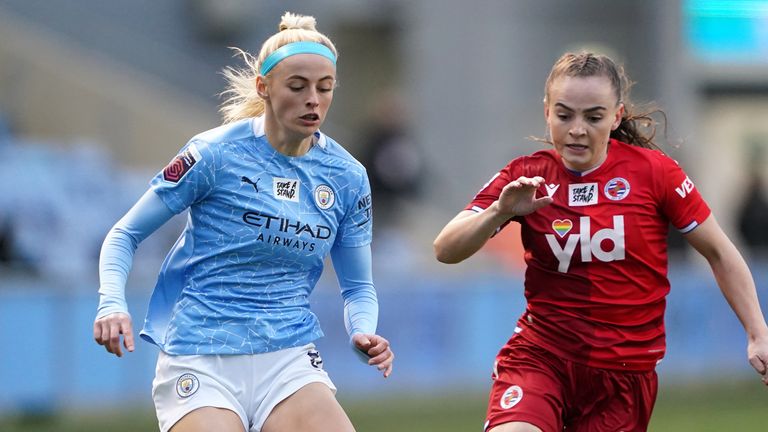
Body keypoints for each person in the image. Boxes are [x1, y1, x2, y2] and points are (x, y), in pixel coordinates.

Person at [433, 51, 768, 432]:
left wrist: (758, 333)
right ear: (546, 112)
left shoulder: (655, 173)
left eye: (593, 117)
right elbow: (445, 249)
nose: (577, 129)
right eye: (564, 115)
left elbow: (720, 252)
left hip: (624, 378)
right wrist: (498, 212)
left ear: (616, 115)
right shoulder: (526, 177)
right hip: (542, 357)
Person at [93, 12, 394, 432]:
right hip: (200, 356)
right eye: (297, 86)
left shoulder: (346, 176)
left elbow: (358, 286)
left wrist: (363, 332)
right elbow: (124, 234)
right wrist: (111, 302)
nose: (313, 99)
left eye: (325, 88)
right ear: (263, 87)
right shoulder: (213, 154)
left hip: (288, 358)